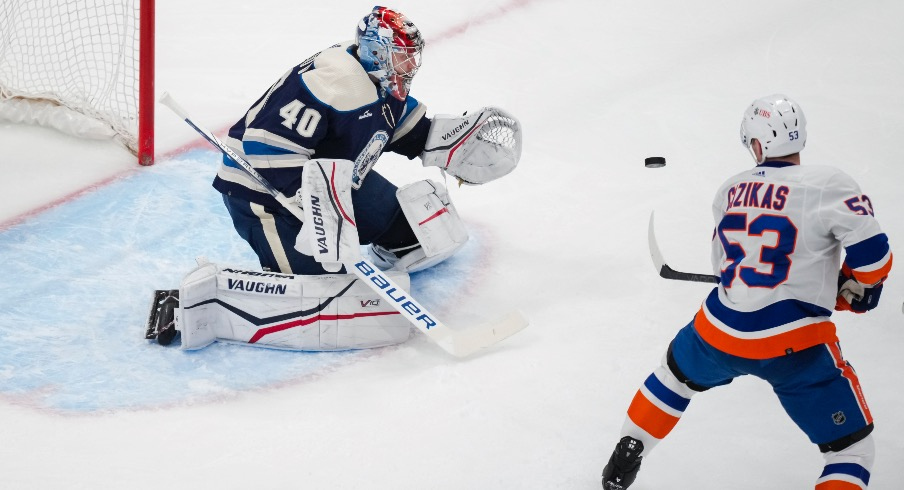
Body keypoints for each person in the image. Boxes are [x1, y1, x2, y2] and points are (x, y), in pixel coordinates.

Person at [146, 6, 522, 351]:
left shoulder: (381, 78)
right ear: (377, 51)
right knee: (322, 294)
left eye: (412, 55)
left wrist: (443, 143)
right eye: (401, 55)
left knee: (420, 233)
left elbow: (398, 127)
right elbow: (266, 148)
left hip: (335, 181)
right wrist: (317, 210)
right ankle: (200, 301)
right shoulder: (332, 83)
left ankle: (343, 241)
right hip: (264, 196)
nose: (409, 63)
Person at [601, 94, 892, 489]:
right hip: (794, 344)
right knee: (850, 453)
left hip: (720, 331)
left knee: (674, 377)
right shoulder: (828, 183)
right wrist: (856, 287)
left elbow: (724, 270)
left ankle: (628, 450)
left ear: (757, 144)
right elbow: (872, 259)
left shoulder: (730, 190)